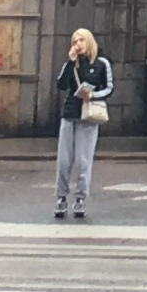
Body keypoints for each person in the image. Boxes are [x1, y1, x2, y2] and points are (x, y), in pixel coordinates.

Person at [52, 27, 113, 220]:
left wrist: (93, 95)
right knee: (64, 160)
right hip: (70, 114)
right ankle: (61, 197)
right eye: (75, 41)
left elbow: (109, 88)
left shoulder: (102, 63)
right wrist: (70, 63)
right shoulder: (72, 63)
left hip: (89, 116)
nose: (78, 44)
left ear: (89, 41)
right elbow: (61, 84)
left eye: (81, 40)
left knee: (83, 160)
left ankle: (80, 198)